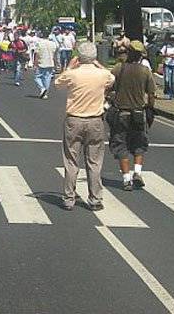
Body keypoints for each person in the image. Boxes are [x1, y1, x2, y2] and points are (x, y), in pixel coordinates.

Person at [54, 43, 115, 211]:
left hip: (74, 120)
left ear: (79, 57)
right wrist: (98, 64)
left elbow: (58, 83)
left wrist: (69, 67)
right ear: (94, 57)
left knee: (71, 160)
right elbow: (112, 78)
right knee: (94, 161)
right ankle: (95, 198)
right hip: (95, 120)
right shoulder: (102, 74)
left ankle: (69, 198)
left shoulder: (73, 74)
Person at [108, 40, 156, 191]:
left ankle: (126, 179)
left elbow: (108, 85)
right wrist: (150, 108)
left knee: (120, 144)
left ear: (128, 52)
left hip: (121, 112)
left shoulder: (118, 69)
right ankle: (138, 172)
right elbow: (152, 93)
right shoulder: (144, 71)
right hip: (138, 112)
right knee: (139, 144)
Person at [34, 30, 57, 99]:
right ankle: (45, 93)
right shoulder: (53, 44)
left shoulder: (39, 43)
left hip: (42, 62)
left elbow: (37, 54)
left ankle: (42, 88)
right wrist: (55, 63)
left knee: (37, 77)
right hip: (50, 62)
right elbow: (54, 54)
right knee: (47, 78)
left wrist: (35, 63)